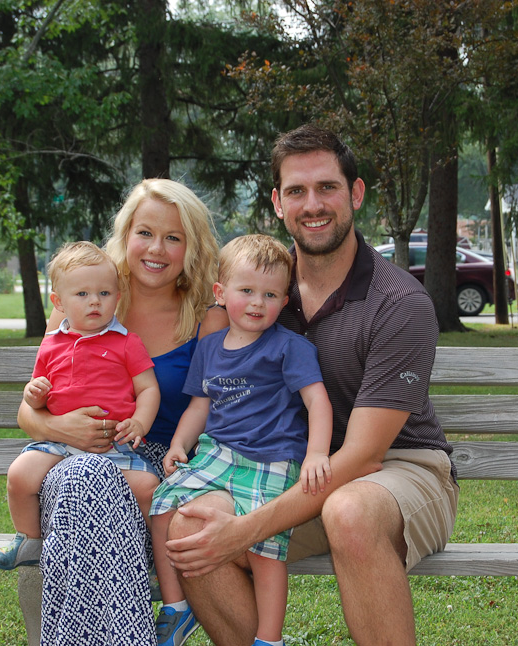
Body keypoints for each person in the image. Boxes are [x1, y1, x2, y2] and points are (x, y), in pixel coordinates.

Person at [164, 124, 460, 646]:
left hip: (400, 468)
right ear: (278, 203)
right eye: (297, 191)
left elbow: (365, 456)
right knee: (191, 527)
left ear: (356, 194)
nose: (313, 204)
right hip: (289, 471)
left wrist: (246, 529)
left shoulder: (399, 302)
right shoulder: (264, 290)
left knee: (350, 511)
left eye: (327, 187)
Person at [16, 179, 228, 646]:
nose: (156, 249)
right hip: (67, 459)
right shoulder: (83, 296)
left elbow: (216, 409)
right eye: (145, 233)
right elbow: (28, 414)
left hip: (157, 472)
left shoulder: (206, 316)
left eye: (173, 237)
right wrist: (61, 428)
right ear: (126, 234)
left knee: (91, 482)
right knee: (84, 477)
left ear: (192, 247)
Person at [150, 234, 333, 646]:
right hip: (217, 453)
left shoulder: (289, 347)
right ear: (220, 293)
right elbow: (199, 406)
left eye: (270, 295)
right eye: (246, 291)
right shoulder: (209, 348)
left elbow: (317, 402)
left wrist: (316, 454)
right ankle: (176, 607)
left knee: (262, 547)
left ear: (284, 300)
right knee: (162, 508)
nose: (257, 303)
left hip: (272, 458)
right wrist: (179, 444)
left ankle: (269, 638)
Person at [0, 241, 161, 570]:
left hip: (114, 446)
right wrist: (34, 394)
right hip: (57, 444)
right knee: (20, 476)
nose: (95, 301)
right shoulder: (51, 345)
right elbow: (37, 394)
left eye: (104, 293)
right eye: (82, 294)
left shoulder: (126, 343)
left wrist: (139, 422)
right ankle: (28, 539)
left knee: (149, 488)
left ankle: (156, 558)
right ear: (59, 302)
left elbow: (148, 388)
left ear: (117, 297)